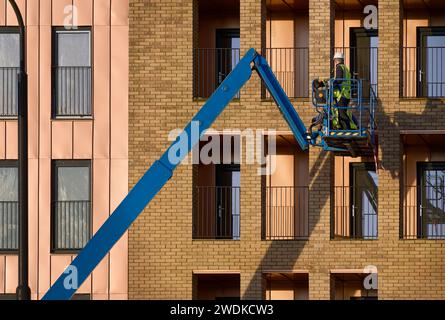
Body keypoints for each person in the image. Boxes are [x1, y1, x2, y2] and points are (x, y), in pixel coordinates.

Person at [332, 52, 357, 130]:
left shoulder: (339, 67)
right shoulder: (345, 68)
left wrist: (332, 83)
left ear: (336, 60)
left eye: (335, 60)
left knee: (341, 113)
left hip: (342, 94)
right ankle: (346, 127)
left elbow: (339, 80)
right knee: (343, 112)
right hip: (346, 94)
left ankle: (347, 129)